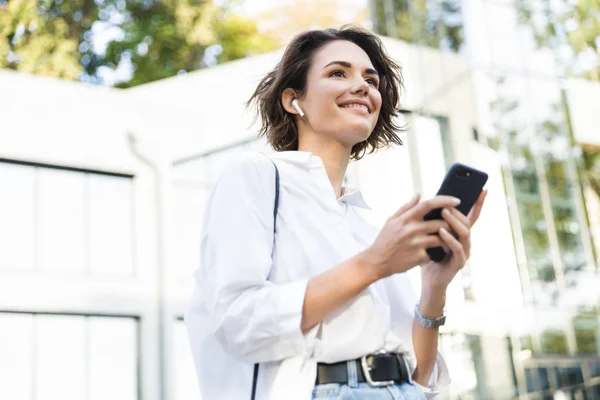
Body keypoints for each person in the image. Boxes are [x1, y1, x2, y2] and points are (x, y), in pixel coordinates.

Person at [185, 26, 487, 400]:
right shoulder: (254, 177)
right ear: (294, 100)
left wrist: (434, 288)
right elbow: (238, 322)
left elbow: (421, 379)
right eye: (338, 73)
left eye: (370, 79)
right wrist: (374, 264)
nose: (362, 86)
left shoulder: (364, 226)